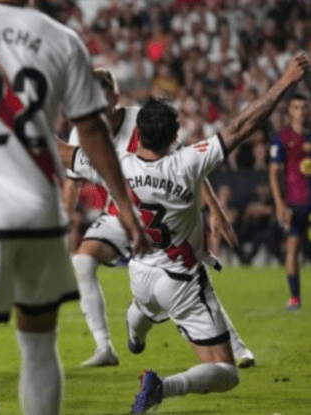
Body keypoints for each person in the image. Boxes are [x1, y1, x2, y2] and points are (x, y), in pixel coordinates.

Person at [0, 2, 148, 414]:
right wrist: (126, 207)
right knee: (39, 340)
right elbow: (92, 130)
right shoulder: (63, 39)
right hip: (40, 212)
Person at [60, 53, 310, 414]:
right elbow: (242, 126)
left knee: (142, 307)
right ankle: (163, 387)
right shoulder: (188, 162)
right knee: (226, 372)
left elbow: (60, 150)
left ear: (138, 134)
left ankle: (135, 330)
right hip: (180, 280)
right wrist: (285, 81)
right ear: (175, 137)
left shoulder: (114, 165)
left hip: (139, 272)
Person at [64, 69, 254, 369]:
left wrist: (214, 209)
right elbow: (72, 182)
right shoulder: (80, 131)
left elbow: (189, 166)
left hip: (157, 213)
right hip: (120, 214)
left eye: (101, 97)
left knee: (189, 270)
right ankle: (104, 347)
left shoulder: (143, 121)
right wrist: (64, 223)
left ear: (115, 98)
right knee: (83, 260)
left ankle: (236, 347)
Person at [269, 92, 311, 310]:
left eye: (304, 107)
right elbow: (274, 172)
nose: (300, 112)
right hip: (295, 202)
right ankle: (295, 297)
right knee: (293, 247)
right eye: (296, 107)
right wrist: (279, 203)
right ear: (289, 111)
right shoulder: (283, 138)